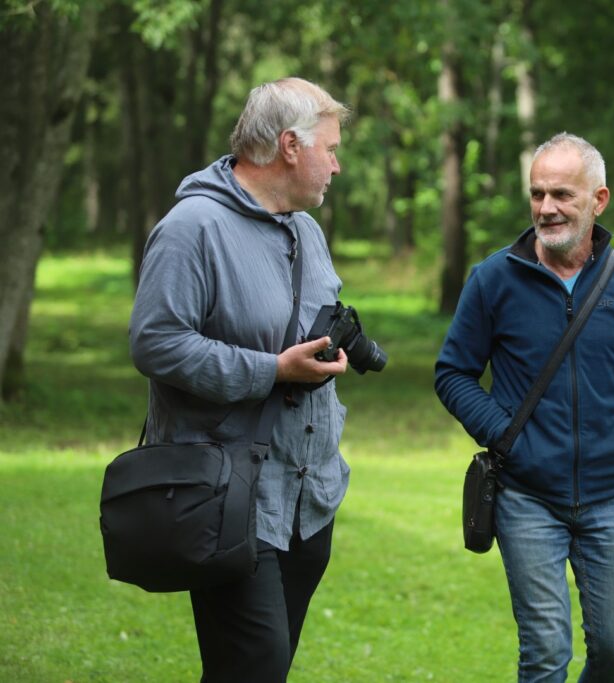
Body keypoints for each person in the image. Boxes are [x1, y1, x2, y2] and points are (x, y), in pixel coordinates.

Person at [435, 132, 614, 682]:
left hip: (611, 499)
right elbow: (452, 373)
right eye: (537, 194)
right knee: (546, 653)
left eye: (562, 195)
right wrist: (506, 436)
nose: (546, 208)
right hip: (526, 499)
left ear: (599, 200)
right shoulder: (492, 279)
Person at [129, 77, 354, 682]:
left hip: (309, 499)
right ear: (289, 146)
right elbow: (155, 342)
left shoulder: (306, 229)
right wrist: (271, 371)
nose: (336, 165)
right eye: (330, 149)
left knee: (256, 669)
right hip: (227, 498)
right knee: (255, 666)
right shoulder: (192, 228)